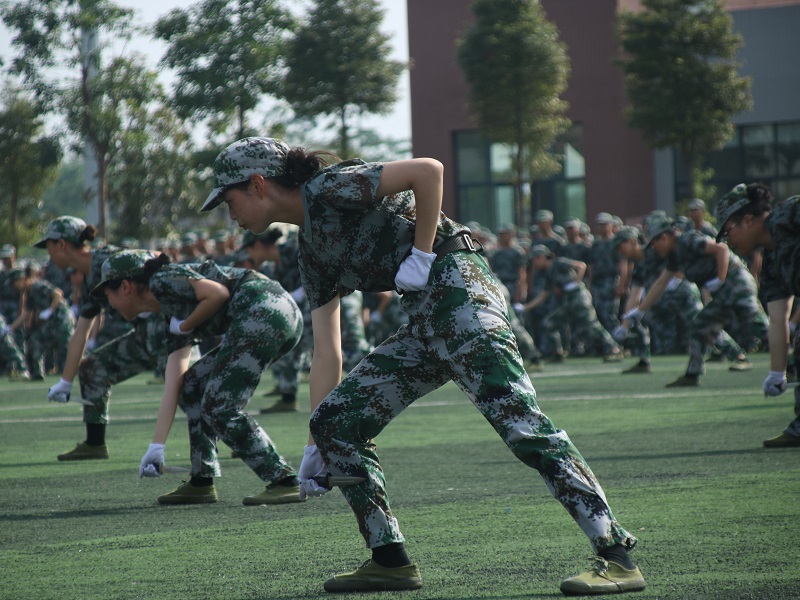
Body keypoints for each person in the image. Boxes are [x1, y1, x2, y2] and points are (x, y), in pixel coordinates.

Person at [200, 137, 645, 596]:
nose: (230, 215)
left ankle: (618, 557)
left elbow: (428, 171)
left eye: (229, 201)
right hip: (426, 319)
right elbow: (327, 350)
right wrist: (315, 444)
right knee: (336, 422)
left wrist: (423, 252)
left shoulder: (328, 188)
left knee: (521, 425)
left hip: (461, 293)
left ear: (257, 184)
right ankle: (389, 561)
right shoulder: (311, 249)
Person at [92, 249, 305, 504]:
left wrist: (185, 325)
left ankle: (284, 480)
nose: (110, 306)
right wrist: (157, 446)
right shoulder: (168, 311)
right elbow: (175, 384)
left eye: (109, 295)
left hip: (264, 310)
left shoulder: (161, 280)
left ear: (125, 287)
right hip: (277, 312)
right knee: (192, 385)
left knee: (220, 406)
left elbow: (218, 293)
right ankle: (202, 479)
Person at [34, 216, 174, 461]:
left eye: (49, 246)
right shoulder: (90, 279)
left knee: (187, 391)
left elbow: (159, 258)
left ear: (62, 244)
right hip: (144, 336)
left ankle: (229, 443)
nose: (49, 253)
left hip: (166, 331)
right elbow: (81, 332)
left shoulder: (108, 258)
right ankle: (95, 444)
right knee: (92, 368)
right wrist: (66, 381)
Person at [619, 215, 768, 387]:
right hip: (723, 291)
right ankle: (692, 374)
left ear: (664, 238)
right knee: (700, 326)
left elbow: (721, 249)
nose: (654, 248)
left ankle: (789, 361)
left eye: (655, 243)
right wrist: (640, 310)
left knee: (757, 323)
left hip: (736, 282)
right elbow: (660, 283)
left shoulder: (688, 240)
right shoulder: (675, 255)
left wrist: (720, 278)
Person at [714, 183, 800, 447]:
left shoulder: (790, 214)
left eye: (728, 231)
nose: (728, 242)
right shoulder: (771, 262)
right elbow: (778, 319)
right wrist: (777, 372)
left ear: (748, 220)